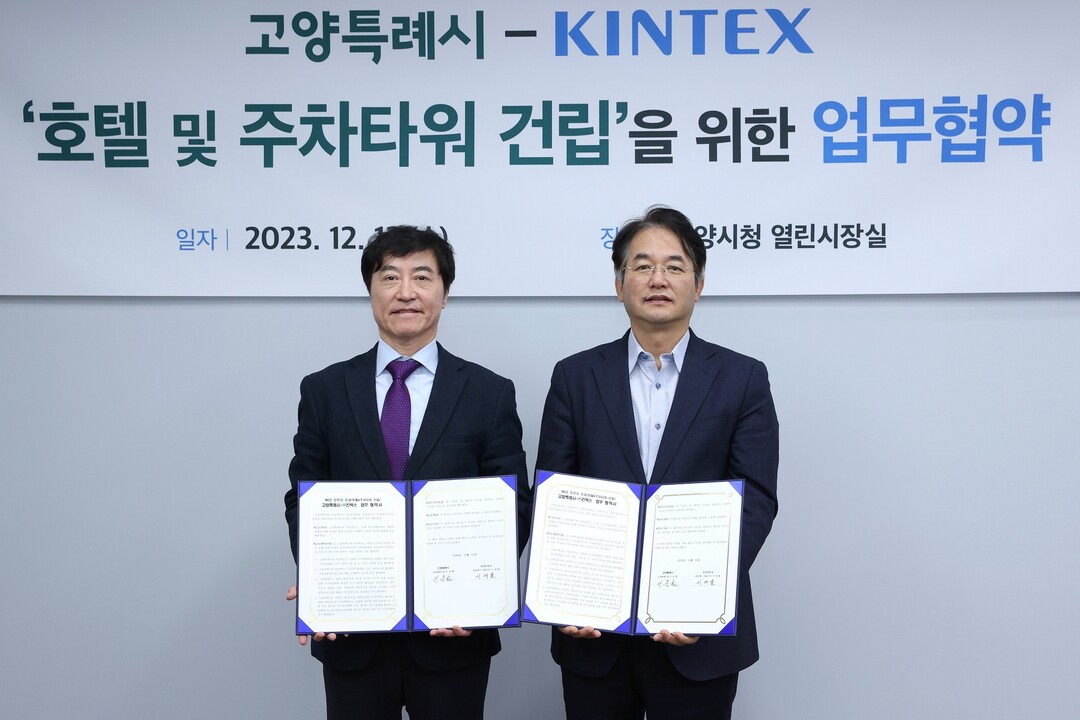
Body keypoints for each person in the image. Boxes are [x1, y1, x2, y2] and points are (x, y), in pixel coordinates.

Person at [536, 205, 779, 720]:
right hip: (594, 633)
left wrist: (704, 594)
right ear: (619, 284)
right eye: (642, 266)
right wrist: (567, 595)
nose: (658, 279)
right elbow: (553, 494)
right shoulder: (575, 377)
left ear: (699, 284)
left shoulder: (743, 378)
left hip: (699, 638)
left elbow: (755, 498)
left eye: (674, 266)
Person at [283, 225, 530, 720]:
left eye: (421, 276)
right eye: (390, 277)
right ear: (370, 290)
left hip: (454, 635)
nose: (405, 292)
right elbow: (303, 498)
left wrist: (480, 593)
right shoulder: (325, 390)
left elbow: (514, 504)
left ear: (444, 292)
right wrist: (319, 578)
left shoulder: (489, 393)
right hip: (354, 633)